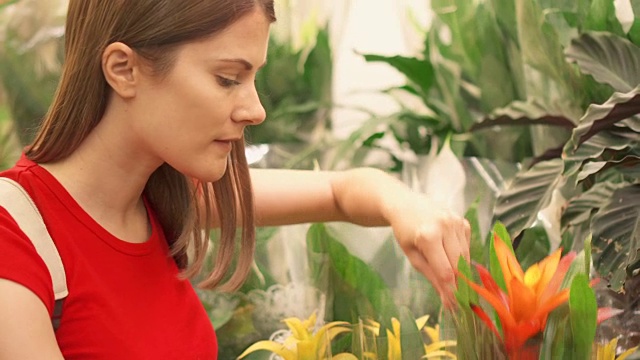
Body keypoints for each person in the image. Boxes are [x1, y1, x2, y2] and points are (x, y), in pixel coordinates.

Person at [0, 1, 471, 359]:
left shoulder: (159, 200)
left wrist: (406, 206)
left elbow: (340, 191)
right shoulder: (15, 239)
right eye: (228, 78)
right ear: (124, 70)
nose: (256, 109)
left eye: (253, 79)